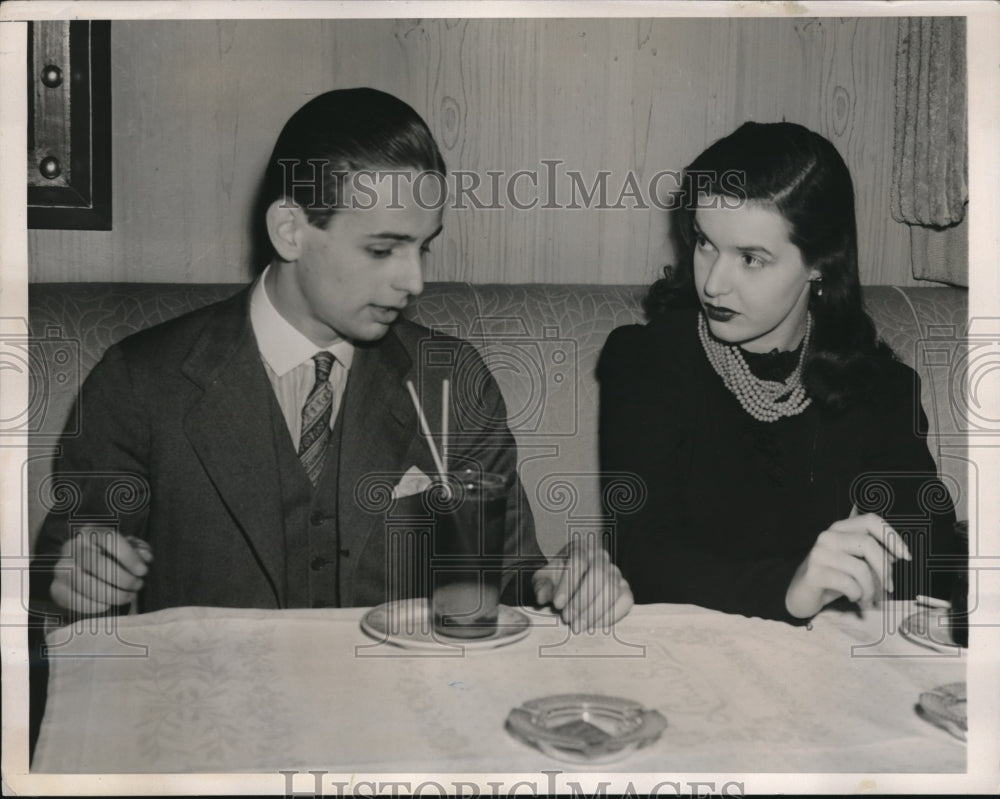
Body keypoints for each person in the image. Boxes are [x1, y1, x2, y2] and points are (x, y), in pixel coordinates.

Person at [32, 88, 632, 631]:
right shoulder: (139, 381)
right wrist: (76, 584)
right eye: (382, 248)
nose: (415, 280)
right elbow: (61, 592)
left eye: (424, 247)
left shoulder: (454, 379)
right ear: (290, 230)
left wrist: (562, 585)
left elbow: (506, 576)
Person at [598, 121, 958, 624]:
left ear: (819, 264)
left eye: (750, 258)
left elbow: (932, 558)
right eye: (705, 243)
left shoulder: (877, 387)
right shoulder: (646, 362)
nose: (714, 283)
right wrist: (791, 587)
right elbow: (640, 558)